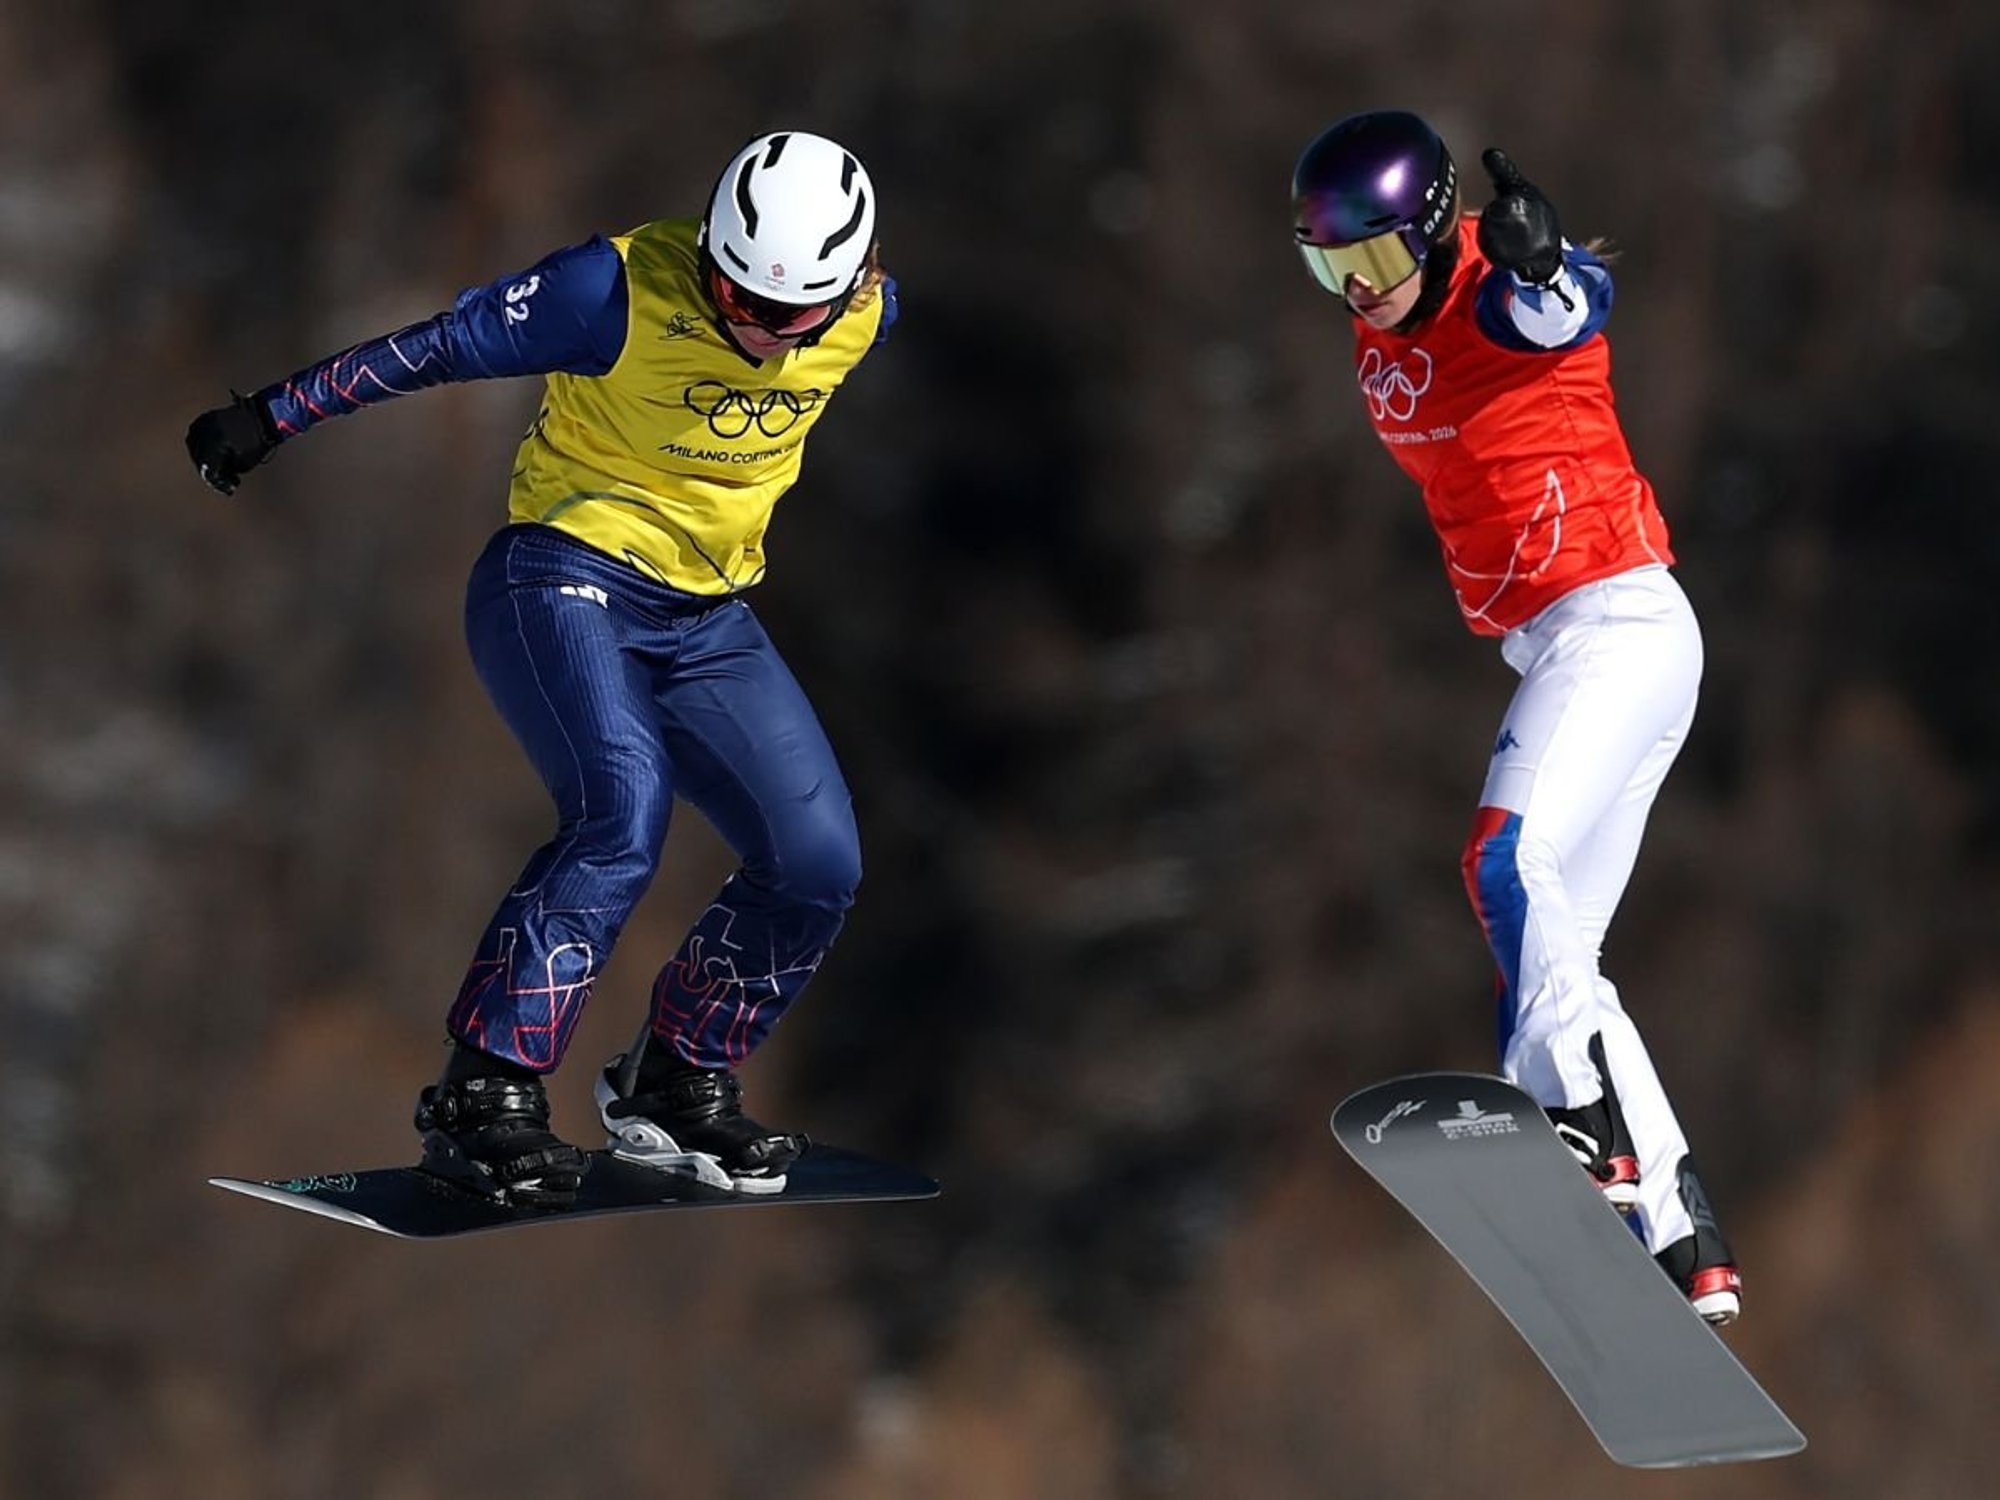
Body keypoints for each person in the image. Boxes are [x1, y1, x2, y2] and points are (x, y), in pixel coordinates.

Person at [186, 130, 897, 1207]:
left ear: (845, 291)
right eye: (731, 295)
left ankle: (673, 1076)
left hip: (703, 617)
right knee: (622, 815)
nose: (751, 329)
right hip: (561, 574)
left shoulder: (869, 317)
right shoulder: (604, 289)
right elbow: (433, 347)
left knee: (816, 861)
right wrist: (268, 416)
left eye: (785, 318)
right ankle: (485, 1097)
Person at [1291, 110, 1742, 1324]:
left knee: (1502, 859)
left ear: (1438, 234)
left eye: (1378, 263)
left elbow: (1560, 311)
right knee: (1552, 965)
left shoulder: (1496, 279)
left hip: (1613, 622)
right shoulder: (1371, 325)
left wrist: (1546, 267)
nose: (1359, 292)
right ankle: (1680, 1238)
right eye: (1328, 269)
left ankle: (1578, 1128)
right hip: (1564, 645)